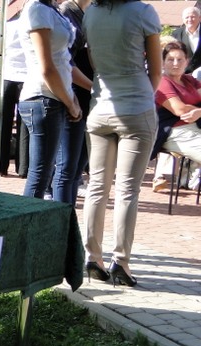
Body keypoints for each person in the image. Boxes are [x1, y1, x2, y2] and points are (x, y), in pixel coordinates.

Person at [82, 0, 161, 287]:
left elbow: (94, 62)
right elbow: (156, 70)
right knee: (127, 189)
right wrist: (143, 97)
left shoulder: (91, 13)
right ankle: (121, 262)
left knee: (96, 186)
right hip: (136, 107)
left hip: (100, 107)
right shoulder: (144, 12)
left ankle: (93, 257)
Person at [17, 0, 82, 203]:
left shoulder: (49, 9)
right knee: (40, 176)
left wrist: (71, 97)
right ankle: (28, 222)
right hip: (43, 98)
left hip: (53, 97)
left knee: (45, 173)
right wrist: (70, 102)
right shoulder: (37, 9)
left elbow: (63, 61)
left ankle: (34, 220)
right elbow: (46, 68)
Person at [151, 42, 201, 192]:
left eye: (180, 59)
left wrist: (198, 112)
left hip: (196, 128)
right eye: (170, 59)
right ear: (163, 62)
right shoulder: (162, 82)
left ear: (187, 61)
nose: (175, 63)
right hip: (176, 132)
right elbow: (180, 110)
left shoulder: (189, 80)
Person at [59, 0, 94, 204]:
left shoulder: (92, 12)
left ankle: (69, 213)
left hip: (88, 94)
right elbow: (66, 62)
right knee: (67, 167)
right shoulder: (67, 11)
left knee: (77, 165)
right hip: (75, 92)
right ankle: (63, 213)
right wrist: (93, 87)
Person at [0, 19, 29, 178]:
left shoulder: (7, 26)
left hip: (5, 75)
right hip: (27, 76)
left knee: (1, 122)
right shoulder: (37, 23)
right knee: (25, 125)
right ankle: (24, 166)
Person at [172, 7, 201, 75]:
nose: (189, 19)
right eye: (187, 17)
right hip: (184, 73)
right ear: (183, 19)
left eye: (193, 17)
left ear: (200, 18)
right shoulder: (177, 34)